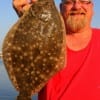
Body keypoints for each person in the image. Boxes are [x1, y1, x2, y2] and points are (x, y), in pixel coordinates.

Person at [13, 0, 100, 100]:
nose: (77, 6)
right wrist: (26, 18)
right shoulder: (44, 40)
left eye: (84, 1)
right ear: (61, 8)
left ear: (92, 7)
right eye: (69, 2)